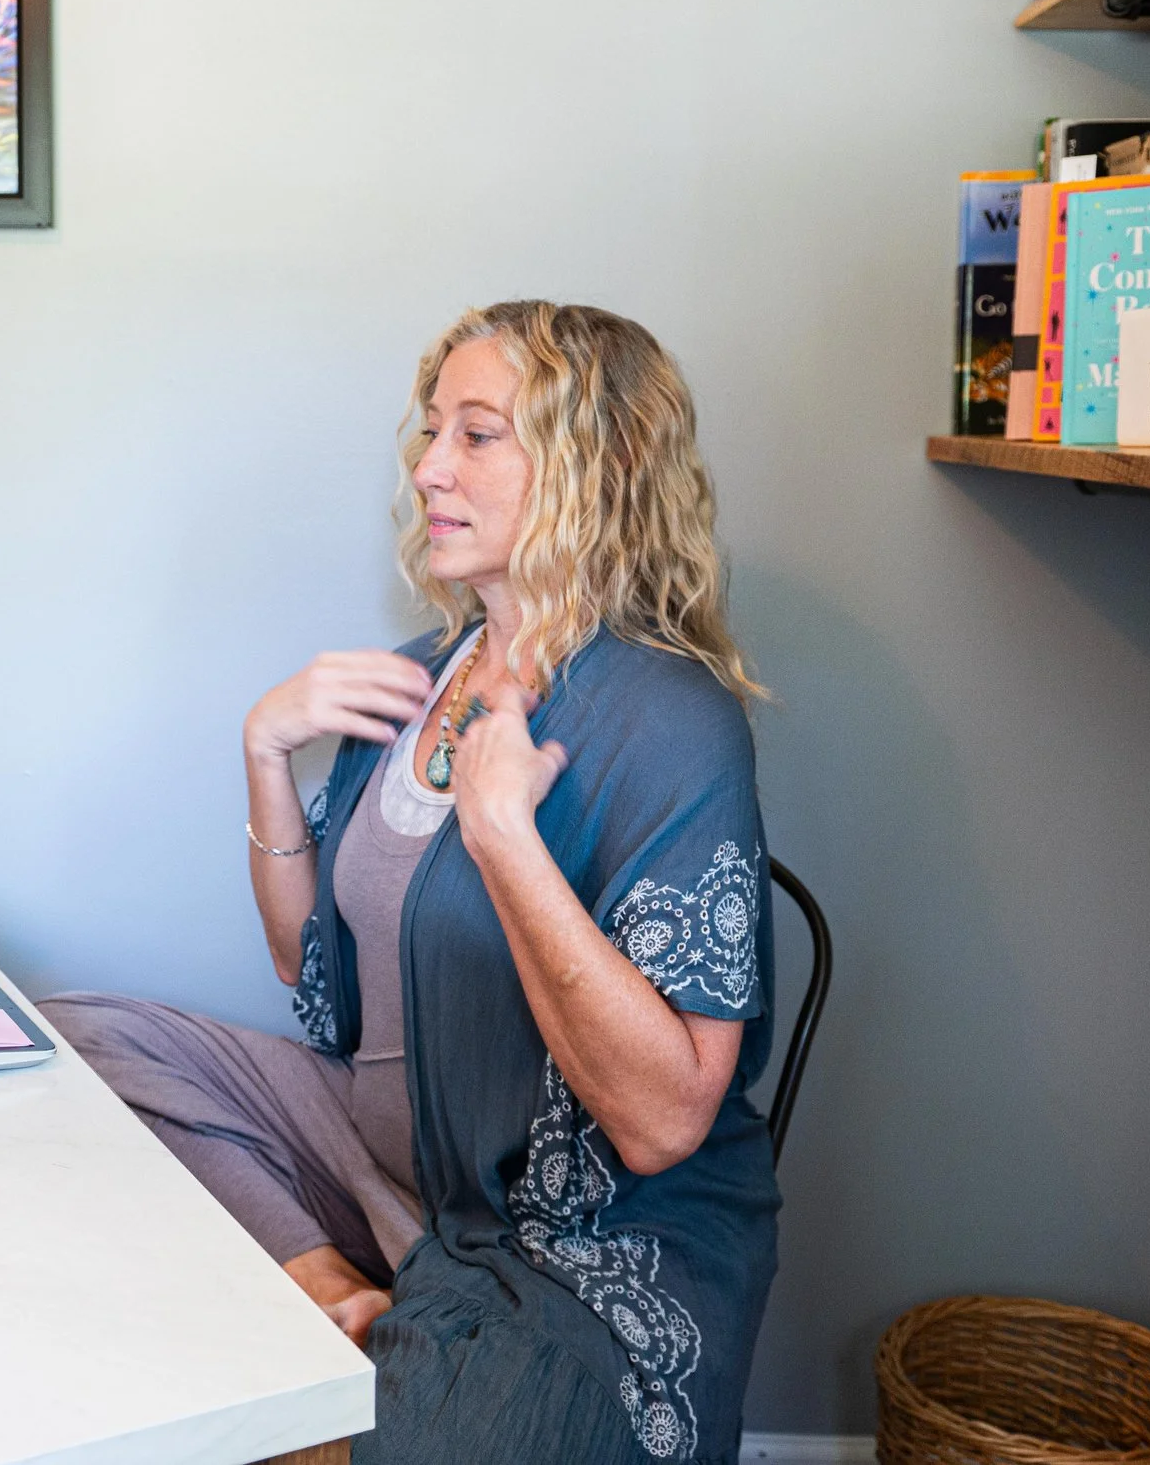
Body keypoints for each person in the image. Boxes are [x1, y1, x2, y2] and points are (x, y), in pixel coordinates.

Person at [41, 300, 778, 1464]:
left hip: (570, 1237)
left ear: (595, 463)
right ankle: (330, 1279)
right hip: (383, 1159)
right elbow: (314, 976)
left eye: (476, 434)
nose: (428, 467)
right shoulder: (412, 678)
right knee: (66, 1047)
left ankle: (390, 1335)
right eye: (432, 432)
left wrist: (506, 843)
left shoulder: (668, 720)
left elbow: (661, 1121)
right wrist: (264, 753)